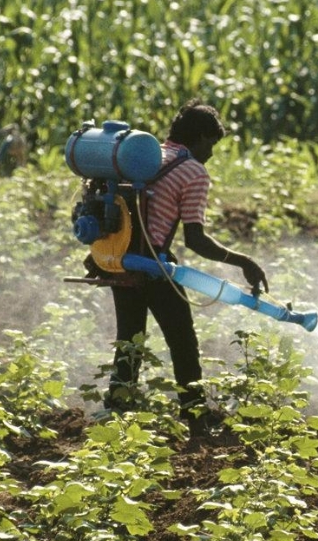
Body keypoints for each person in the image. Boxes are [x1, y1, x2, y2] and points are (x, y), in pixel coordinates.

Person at [103, 99, 269, 431]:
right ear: (201, 137)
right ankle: (194, 415)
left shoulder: (148, 157)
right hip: (153, 265)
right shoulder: (193, 171)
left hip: (119, 259)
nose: (211, 153)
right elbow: (196, 239)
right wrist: (244, 262)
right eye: (212, 144)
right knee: (183, 340)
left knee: (130, 341)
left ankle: (117, 411)